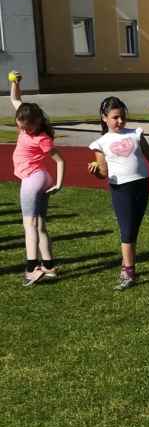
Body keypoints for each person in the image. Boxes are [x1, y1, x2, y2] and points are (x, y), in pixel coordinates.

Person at [88, 96, 149, 290]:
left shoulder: (136, 134)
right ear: (104, 118)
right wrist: (95, 173)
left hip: (142, 185)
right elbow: (103, 173)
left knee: (133, 228)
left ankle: (126, 266)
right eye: (115, 117)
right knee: (126, 230)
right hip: (121, 189)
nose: (120, 121)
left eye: (122, 117)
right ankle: (129, 272)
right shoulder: (100, 143)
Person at [7, 71, 65, 286]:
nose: (23, 130)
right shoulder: (26, 118)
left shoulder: (41, 138)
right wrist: (15, 82)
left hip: (33, 180)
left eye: (26, 127)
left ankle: (32, 268)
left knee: (29, 225)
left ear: (37, 122)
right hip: (41, 178)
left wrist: (59, 184)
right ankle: (49, 266)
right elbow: (15, 99)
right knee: (39, 225)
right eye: (20, 126)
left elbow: (60, 161)